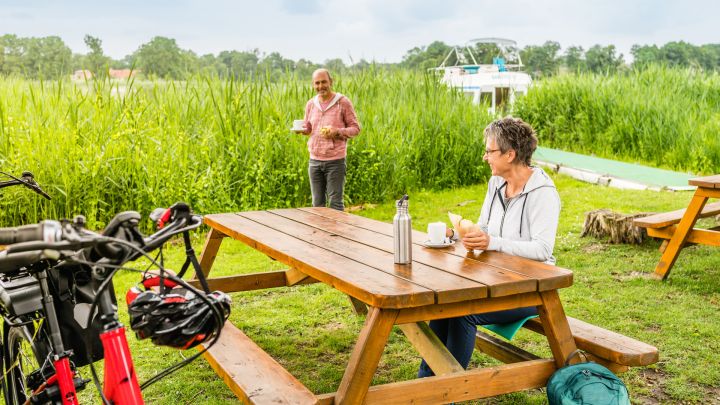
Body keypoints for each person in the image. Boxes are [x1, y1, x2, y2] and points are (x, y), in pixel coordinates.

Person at [418, 116, 561, 377]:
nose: (485, 157)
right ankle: (426, 385)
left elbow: (542, 249)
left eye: (489, 151)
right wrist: (457, 235)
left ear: (510, 154)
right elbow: (484, 228)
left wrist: (492, 242)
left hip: (532, 289)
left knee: (463, 313)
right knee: (445, 305)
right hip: (496, 280)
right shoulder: (496, 183)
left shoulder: (543, 193)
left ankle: (447, 390)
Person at [293, 68, 361, 211]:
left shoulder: (342, 102)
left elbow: (355, 128)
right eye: (317, 83)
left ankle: (338, 233)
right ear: (313, 85)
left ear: (331, 82)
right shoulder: (311, 104)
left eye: (324, 82)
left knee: (335, 204)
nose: (320, 86)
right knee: (317, 205)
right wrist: (303, 131)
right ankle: (319, 233)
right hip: (314, 160)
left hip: (335, 161)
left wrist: (337, 132)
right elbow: (309, 127)